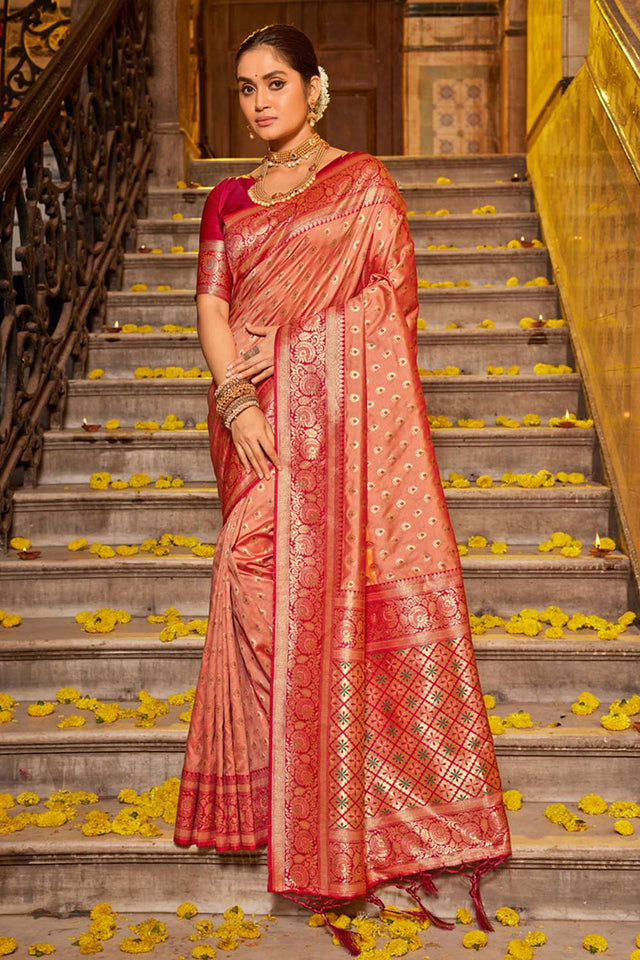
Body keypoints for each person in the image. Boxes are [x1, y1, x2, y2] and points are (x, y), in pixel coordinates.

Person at [173, 22, 511, 949]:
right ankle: (313, 779)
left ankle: (346, 786)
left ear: (314, 87)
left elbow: (390, 310)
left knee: (306, 595)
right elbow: (212, 303)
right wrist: (237, 396)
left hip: (335, 425)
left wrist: (292, 349)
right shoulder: (228, 199)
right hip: (258, 420)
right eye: (244, 88)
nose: (258, 102)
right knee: (251, 575)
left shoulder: (362, 187)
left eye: (275, 83)